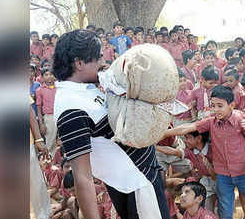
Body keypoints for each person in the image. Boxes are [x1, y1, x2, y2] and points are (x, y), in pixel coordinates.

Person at [52, 30, 169, 219]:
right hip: (136, 187)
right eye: (97, 58)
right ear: (79, 63)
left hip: (143, 179)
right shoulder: (71, 107)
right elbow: (82, 177)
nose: (103, 63)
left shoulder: (85, 89)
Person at [163, 85, 245, 219]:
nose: (216, 110)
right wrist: (164, 133)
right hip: (222, 175)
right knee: (225, 210)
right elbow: (189, 127)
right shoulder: (211, 122)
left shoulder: (240, 120)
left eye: (220, 105)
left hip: (243, 172)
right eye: (213, 105)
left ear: (232, 105)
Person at [181, 131, 218, 213]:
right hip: (206, 181)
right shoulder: (191, 151)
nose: (184, 140)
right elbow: (175, 152)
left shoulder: (214, 149)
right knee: (208, 209)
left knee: (223, 210)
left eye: (188, 137)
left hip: (221, 181)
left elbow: (215, 176)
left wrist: (209, 168)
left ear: (199, 138)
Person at [36, 68, 58, 156]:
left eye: (51, 74)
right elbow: (38, 108)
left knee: (60, 141)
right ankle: (48, 163)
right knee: (50, 141)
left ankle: (59, 163)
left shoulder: (59, 88)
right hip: (49, 117)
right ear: (42, 77)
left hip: (60, 115)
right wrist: (41, 124)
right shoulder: (40, 90)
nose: (49, 77)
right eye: (46, 75)